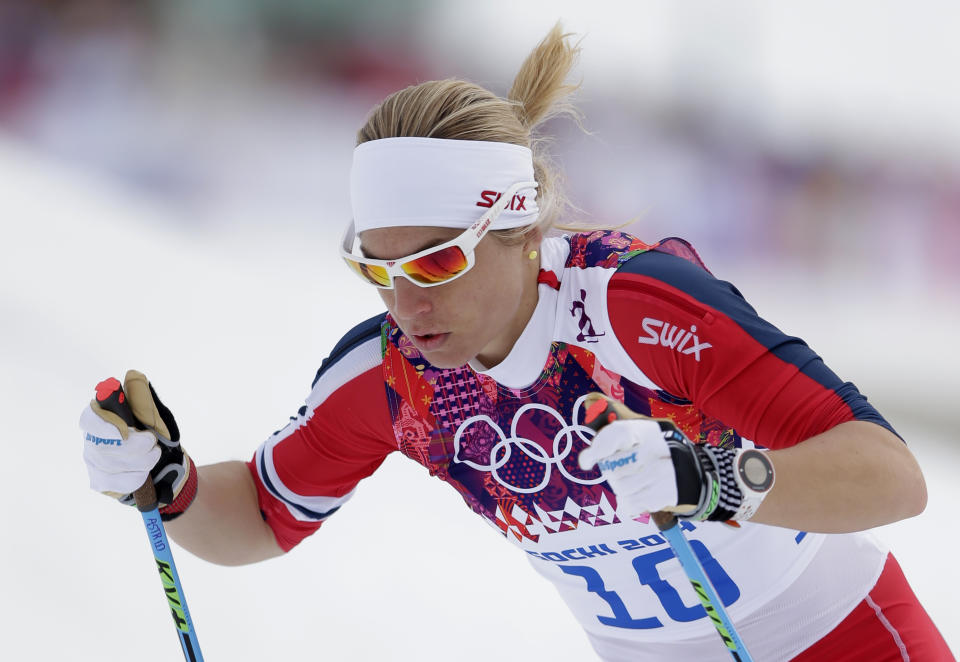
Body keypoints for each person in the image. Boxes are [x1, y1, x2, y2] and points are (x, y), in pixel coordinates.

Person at [80, 23, 954, 661]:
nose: (405, 302)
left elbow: (891, 475)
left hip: (843, 638)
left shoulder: (632, 309)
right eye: (376, 270)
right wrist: (172, 487)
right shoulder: (390, 375)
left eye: (434, 263)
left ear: (519, 230)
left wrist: (714, 480)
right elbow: (265, 517)